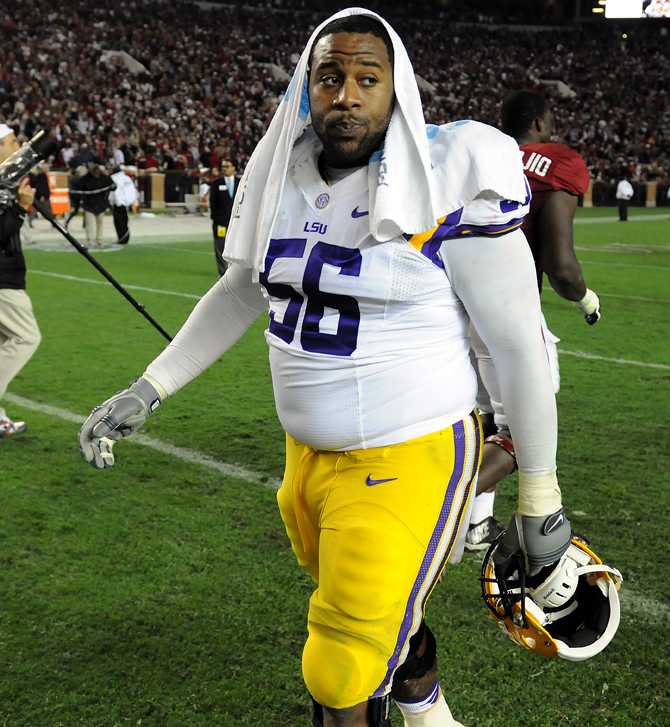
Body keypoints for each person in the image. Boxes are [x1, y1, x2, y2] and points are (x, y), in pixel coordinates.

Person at [78, 11, 571, 727]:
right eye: (330, 76)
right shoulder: (282, 174)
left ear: (395, 90)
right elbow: (241, 288)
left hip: (411, 452)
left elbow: (521, 344)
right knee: (372, 608)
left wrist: (540, 493)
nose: (346, 94)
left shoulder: (447, 180)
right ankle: (432, 716)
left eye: (367, 78)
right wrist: (149, 386)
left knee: (340, 664)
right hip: (306, 460)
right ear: (305, 89)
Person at [465, 89, 601, 551]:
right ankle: (442, 511)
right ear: (540, 123)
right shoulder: (557, 161)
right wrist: (586, 300)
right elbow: (561, 266)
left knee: (486, 418)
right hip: (505, 309)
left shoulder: (475, 154)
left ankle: (476, 524)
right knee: (528, 430)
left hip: (448, 308)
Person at [0, 123, 41, 437]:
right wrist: (23, 207)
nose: (19, 146)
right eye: (13, 142)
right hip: (3, 280)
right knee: (26, 338)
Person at [209, 160, 237, 276]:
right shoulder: (216, 183)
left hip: (237, 223)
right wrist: (216, 219)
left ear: (234, 168)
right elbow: (213, 203)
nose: (224, 168)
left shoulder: (241, 183)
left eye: (227, 166)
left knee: (236, 247)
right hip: (221, 223)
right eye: (223, 166)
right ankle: (223, 273)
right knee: (220, 247)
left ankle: (235, 273)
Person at [80, 164, 116, 247]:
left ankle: (99, 240)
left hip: (101, 204)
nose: (96, 173)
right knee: (90, 224)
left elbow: (113, 186)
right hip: (89, 205)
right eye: (94, 172)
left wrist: (113, 186)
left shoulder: (104, 178)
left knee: (100, 223)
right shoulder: (86, 178)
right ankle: (90, 240)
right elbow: (80, 187)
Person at [109, 165, 139, 245]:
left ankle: (122, 239)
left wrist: (117, 202)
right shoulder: (126, 178)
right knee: (124, 222)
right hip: (125, 203)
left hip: (118, 203)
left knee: (119, 222)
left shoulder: (115, 178)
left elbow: (116, 192)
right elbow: (131, 191)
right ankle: (124, 238)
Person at [65, 165, 87, 231]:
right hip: (76, 197)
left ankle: (84, 224)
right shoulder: (75, 179)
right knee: (75, 211)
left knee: (85, 211)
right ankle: (67, 223)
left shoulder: (76, 178)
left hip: (79, 196)